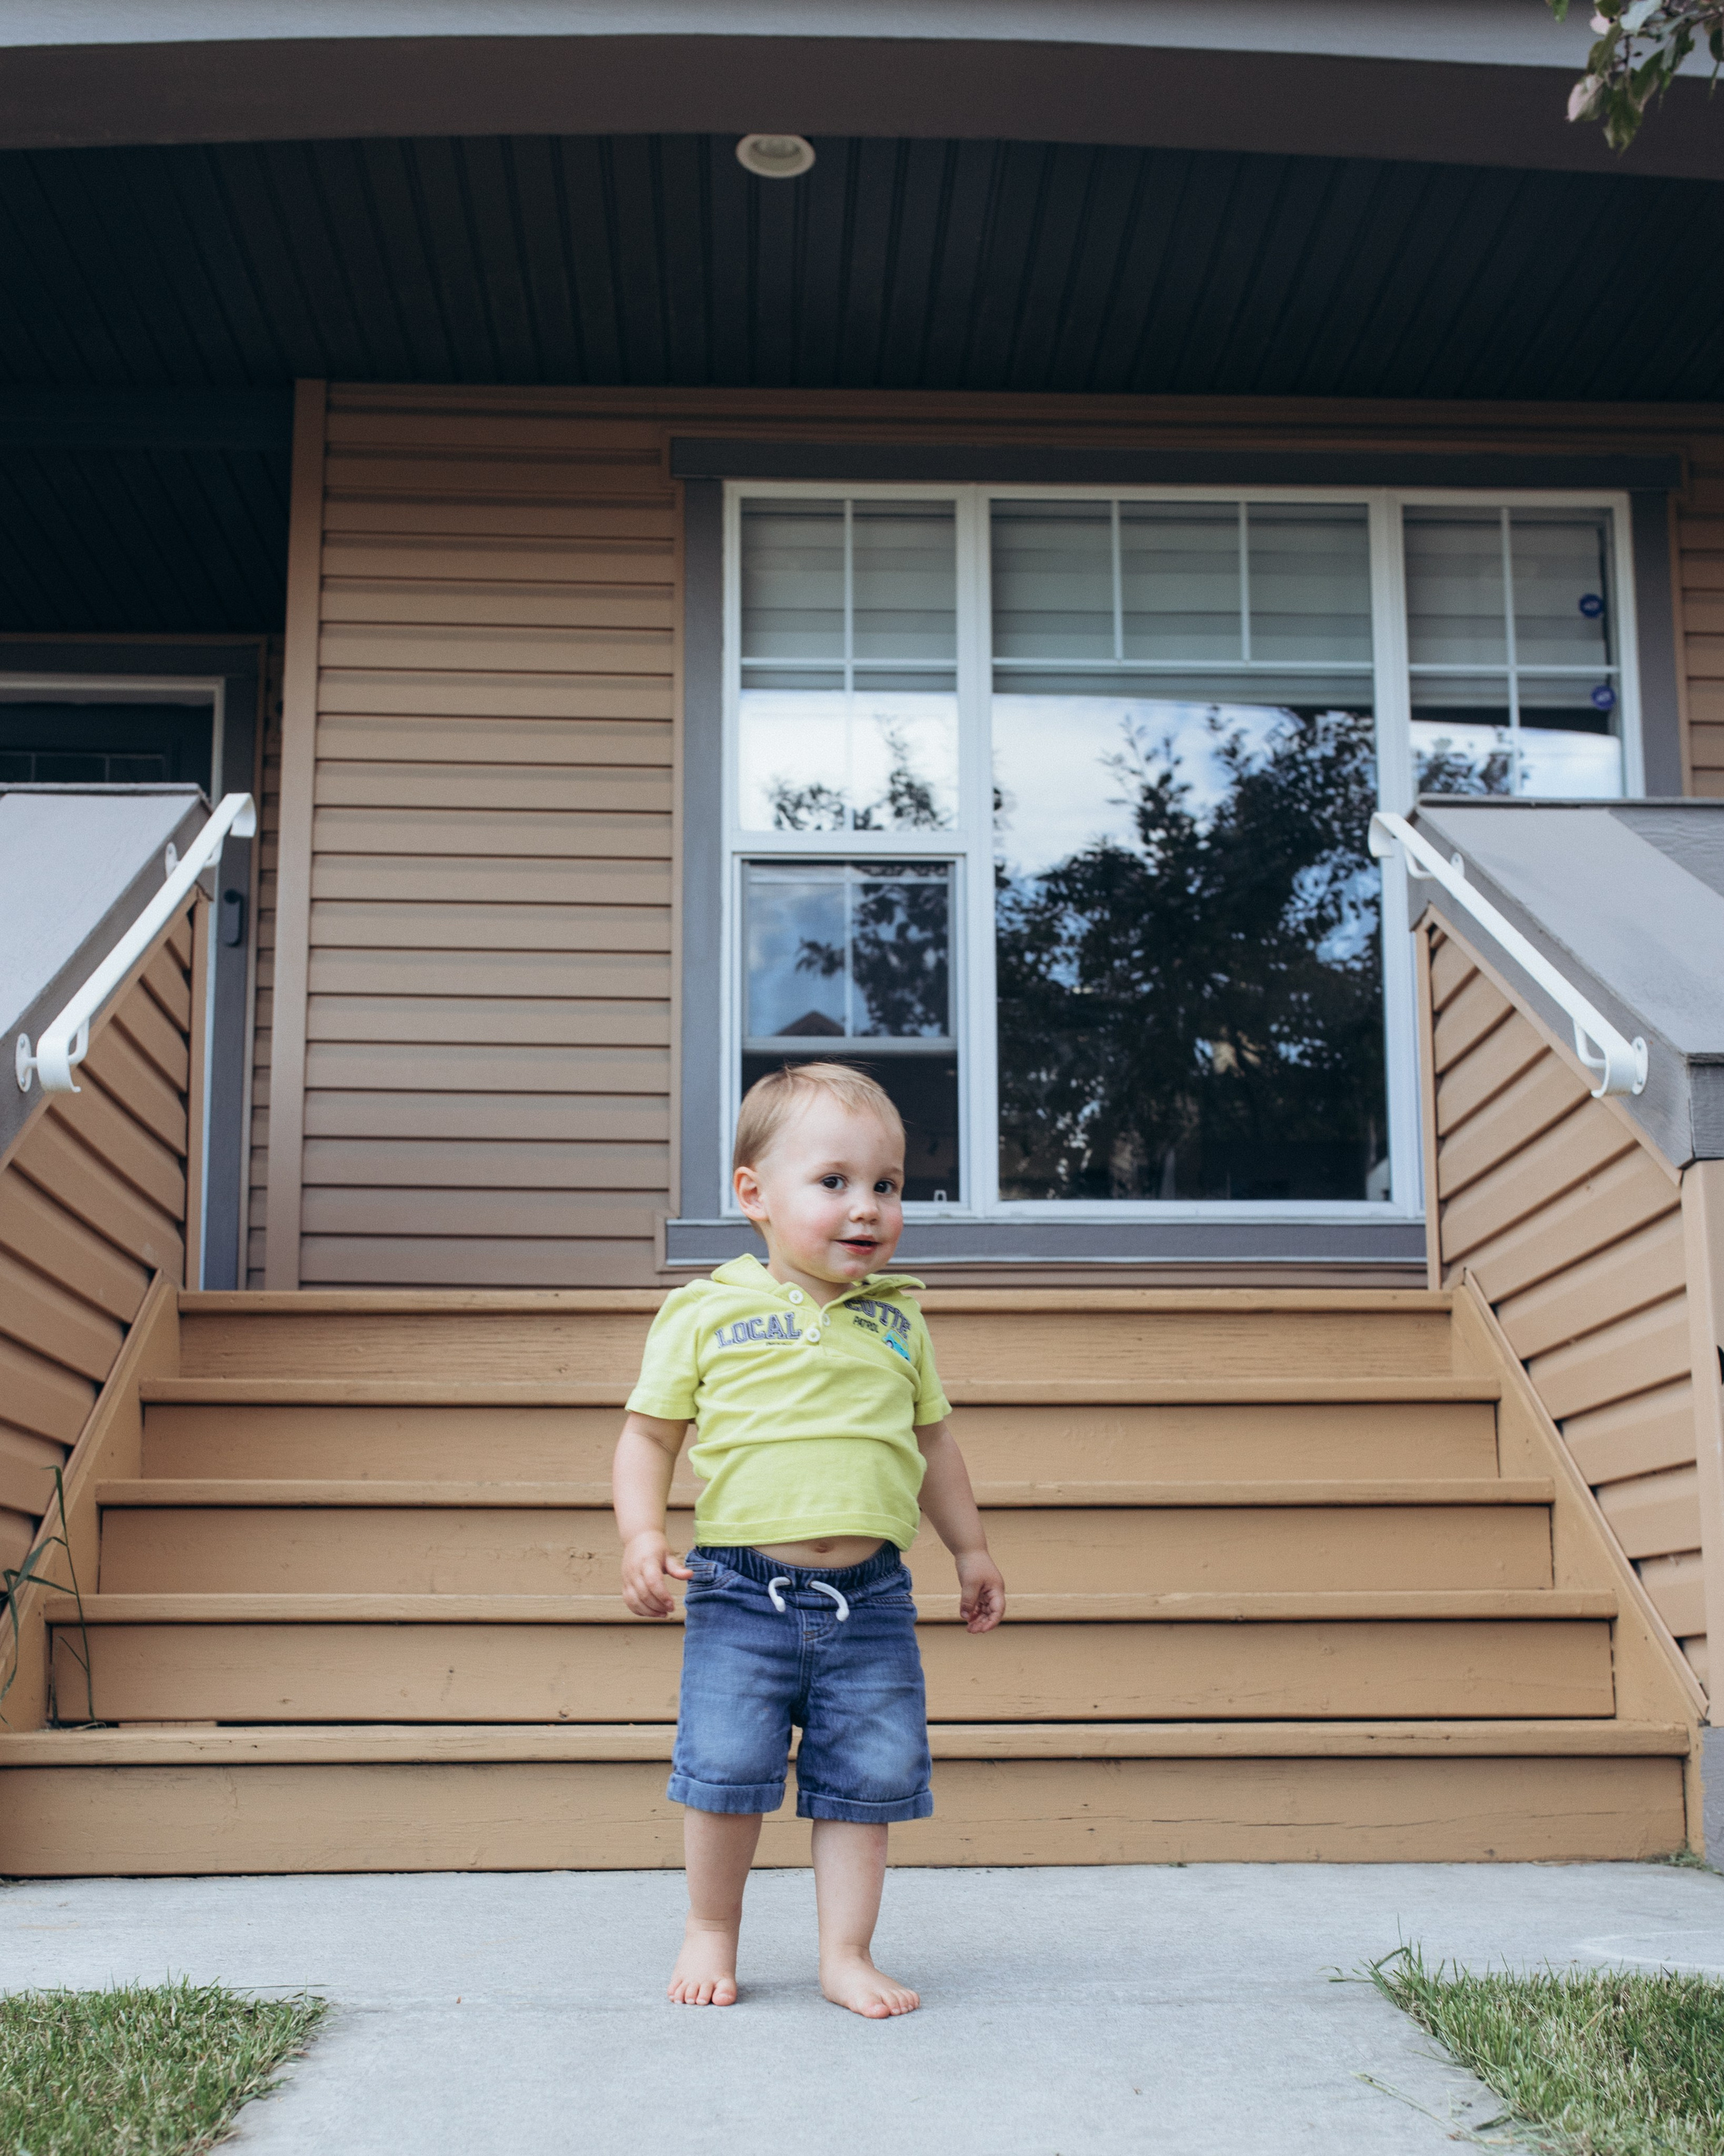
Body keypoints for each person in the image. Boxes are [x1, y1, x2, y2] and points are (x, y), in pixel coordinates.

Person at [614, 1060, 1006, 2017]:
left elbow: (935, 1444)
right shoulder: (707, 1310)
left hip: (872, 1599)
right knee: (724, 1771)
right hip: (740, 1593)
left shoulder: (899, 1320)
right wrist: (641, 1533)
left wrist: (970, 1550)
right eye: (834, 1181)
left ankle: (846, 1952)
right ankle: (711, 1928)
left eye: (887, 1184)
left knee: (866, 1782)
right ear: (754, 1194)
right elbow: (649, 1436)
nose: (867, 1206)